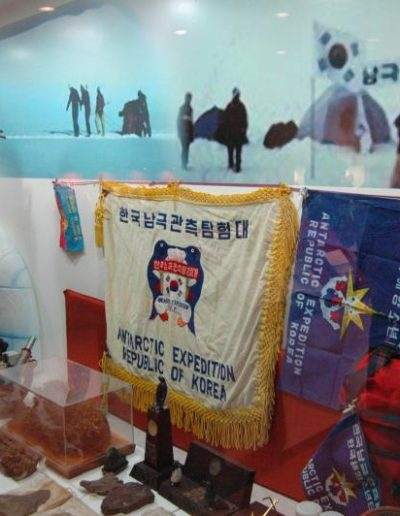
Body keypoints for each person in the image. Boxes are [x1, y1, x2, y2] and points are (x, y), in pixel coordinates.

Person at [224, 87, 248, 172]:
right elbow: (245, 120)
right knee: (236, 151)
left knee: (233, 150)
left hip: (234, 133)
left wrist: (243, 129)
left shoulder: (230, 106)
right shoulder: (240, 106)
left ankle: (233, 165)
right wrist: (244, 130)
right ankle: (236, 166)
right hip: (236, 133)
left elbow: (225, 120)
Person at [177, 92, 194, 170]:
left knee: (185, 149)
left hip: (186, 133)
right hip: (184, 133)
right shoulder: (184, 108)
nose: (190, 100)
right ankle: (184, 165)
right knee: (185, 149)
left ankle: (184, 164)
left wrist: (191, 134)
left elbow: (190, 122)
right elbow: (180, 121)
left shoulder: (189, 108)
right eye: (189, 98)